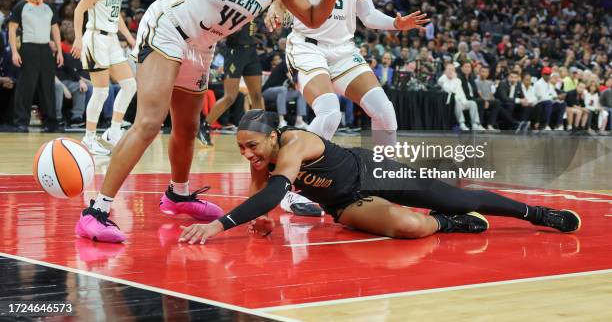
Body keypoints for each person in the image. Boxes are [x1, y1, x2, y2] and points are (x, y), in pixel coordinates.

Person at [75, 0, 349, 243]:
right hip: (168, 27)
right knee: (151, 121)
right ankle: (95, 211)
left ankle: (178, 195)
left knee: (187, 127)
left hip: (202, 48)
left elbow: (314, 20)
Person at [178, 110, 581, 244]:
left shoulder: (295, 143)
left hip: (372, 171)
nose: (248, 154)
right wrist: (262, 219)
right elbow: (261, 194)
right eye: (241, 150)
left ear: (272, 136)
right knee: (409, 226)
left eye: (252, 146)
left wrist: (220, 224)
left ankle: (536, 214)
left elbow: (273, 192)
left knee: (457, 197)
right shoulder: (261, 158)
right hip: (344, 202)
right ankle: (448, 225)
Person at [266, 0, 428, 147]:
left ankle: (380, 177)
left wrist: (395, 23)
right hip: (308, 49)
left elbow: (369, 15)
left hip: (343, 51)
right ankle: (297, 171)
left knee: (386, 113)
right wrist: (275, 7)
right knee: (330, 113)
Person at [71, 0, 137, 155]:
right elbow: (79, 9)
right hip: (95, 38)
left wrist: (129, 37)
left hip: (112, 40)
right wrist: (78, 38)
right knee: (101, 92)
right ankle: (89, 138)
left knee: (130, 85)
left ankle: (113, 131)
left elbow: (116, 17)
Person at [8, 0, 63, 132]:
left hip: (46, 49)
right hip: (28, 48)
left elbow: (55, 30)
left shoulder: (49, 7)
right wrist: (14, 52)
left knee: (48, 86)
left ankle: (51, 123)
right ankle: (21, 121)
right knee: (26, 86)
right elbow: (12, 30)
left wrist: (59, 51)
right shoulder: (21, 6)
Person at [197, 22, 263, 145]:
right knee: (230, 97)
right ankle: (204, 126)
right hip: (235, 52)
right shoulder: (234, 8)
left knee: (257, 95)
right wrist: (229, 30)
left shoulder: (258, 7)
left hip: (252, 52)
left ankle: (261, 129)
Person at [437, 64, 484, 131]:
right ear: (445, 71)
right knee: (457, 102)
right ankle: (461, 123)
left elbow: (461, 93)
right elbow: (450, 90)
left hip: (462, 101)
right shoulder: (441, 80)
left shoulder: (458, 80)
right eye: (449, 70)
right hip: (451, 103)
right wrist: (453, 79)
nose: (451, 72)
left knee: (472, 103)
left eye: (453, 70)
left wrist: (465, 102)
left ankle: (475, 124)